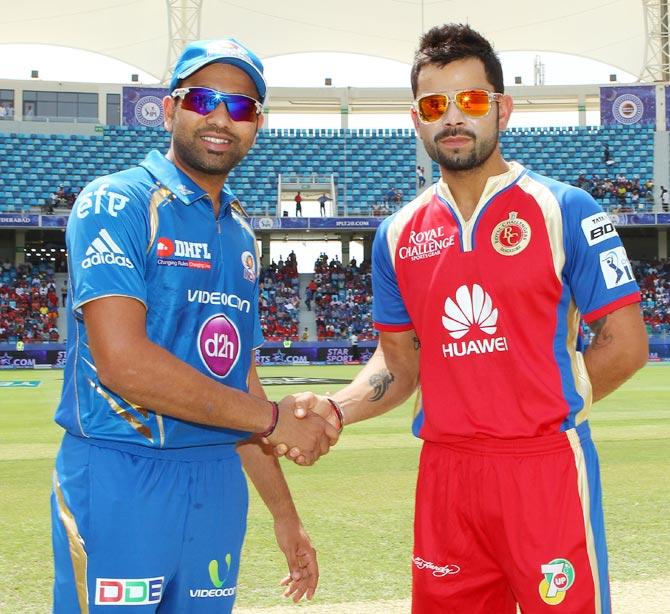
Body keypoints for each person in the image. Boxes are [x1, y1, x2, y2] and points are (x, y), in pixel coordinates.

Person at [282, 23, 648, 613]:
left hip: (544, 467)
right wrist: (336, 408)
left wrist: (548, 403)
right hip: (447, 477)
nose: (454, 117)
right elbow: (400, 365)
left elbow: (626, 343)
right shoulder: (398, 234)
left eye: (471, 100)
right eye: (435, 104)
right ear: (417, 119)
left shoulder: (566, 209)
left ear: (501, 108)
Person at [50, 38, 338, 614]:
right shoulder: (117, 201)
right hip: (121, 473)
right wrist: (278, 421)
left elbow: (238, 384)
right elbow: (124, 364)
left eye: (242, 107)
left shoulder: (239, 232)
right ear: (169, 109)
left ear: (257, 124)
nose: (220, 119)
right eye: (203, 98)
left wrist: (286, 517)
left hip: (216, 481)